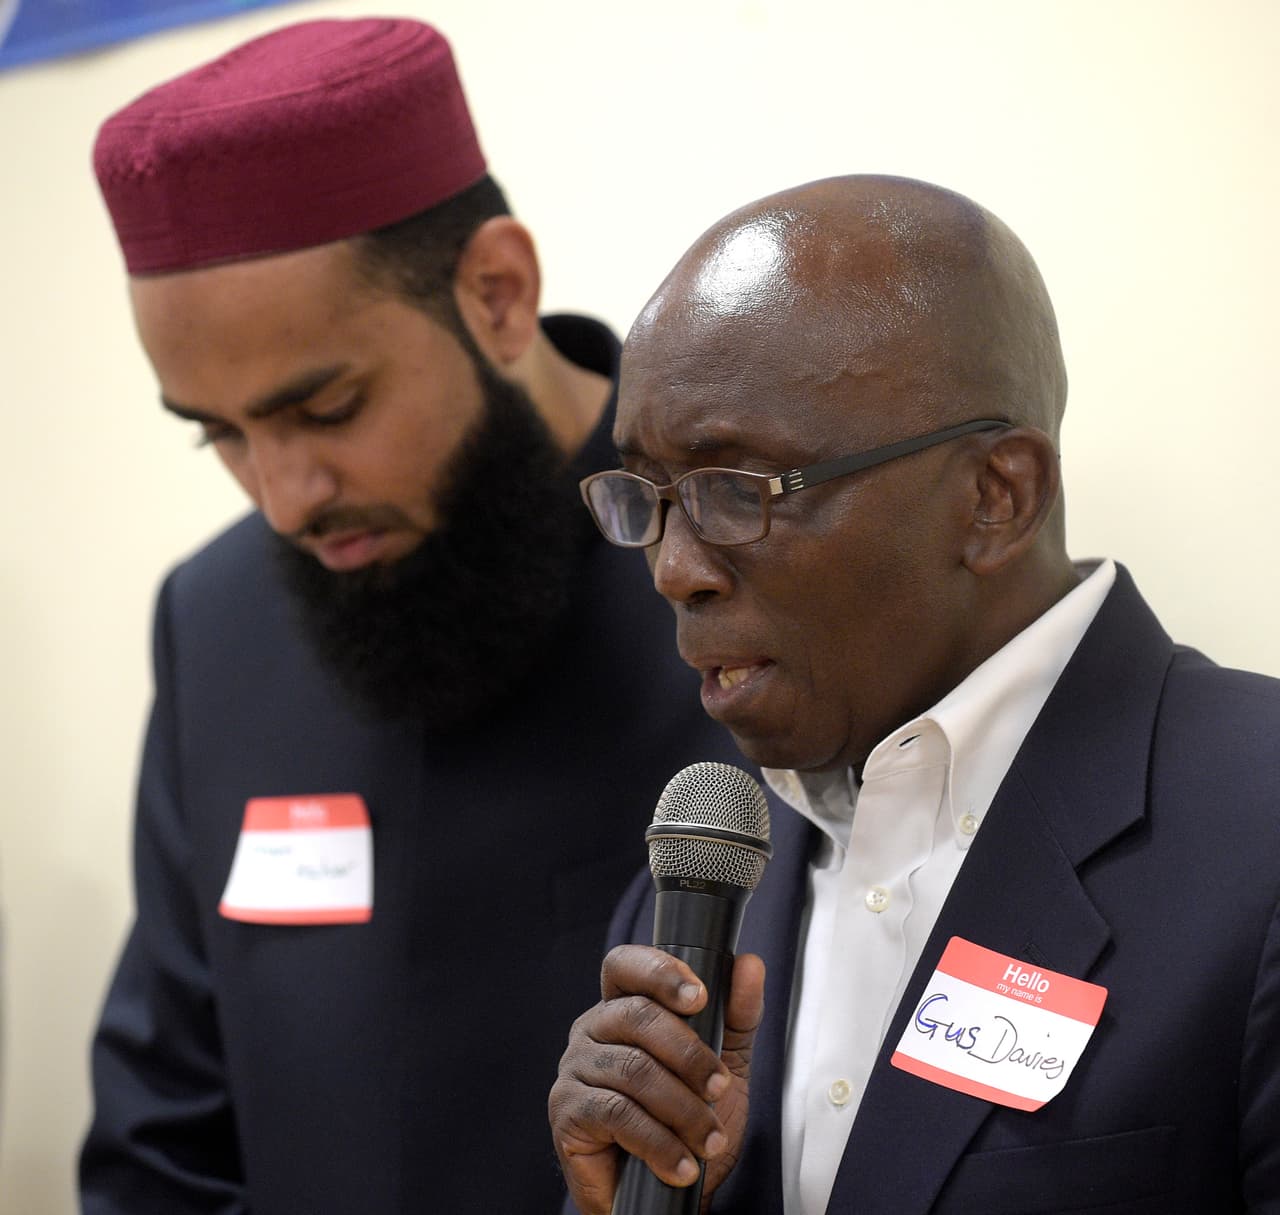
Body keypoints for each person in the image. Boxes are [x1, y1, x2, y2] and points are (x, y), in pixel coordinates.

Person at [81, 18, 739, 1215]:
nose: (283, 500)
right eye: (218, 433)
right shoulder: (214, 620)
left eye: (326, 408)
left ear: (495, 291)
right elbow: (163, 1142)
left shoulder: (744, 569)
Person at [549, 175, 1280, 1214]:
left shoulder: (1256, 834)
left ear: (994, 498)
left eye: (735, 490)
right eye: (648, 497)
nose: (672, 568)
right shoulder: (700, 893)